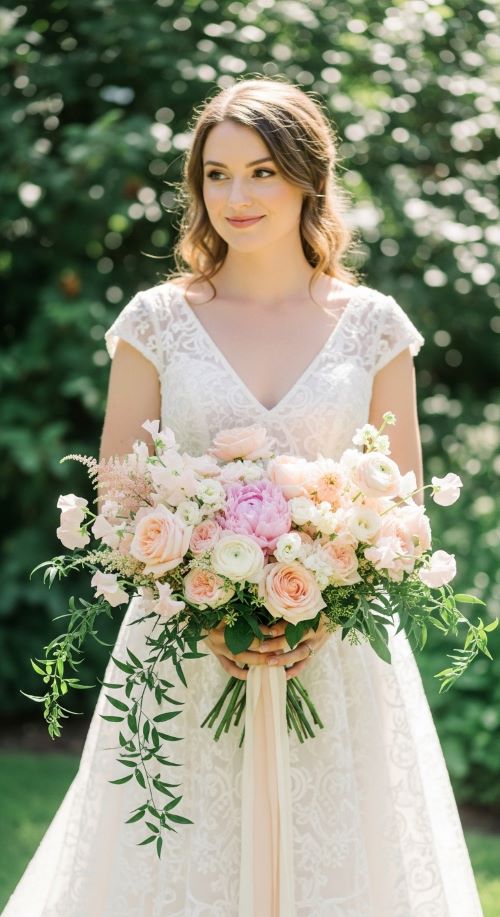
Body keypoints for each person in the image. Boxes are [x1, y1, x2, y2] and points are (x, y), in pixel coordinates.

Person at [3, 76, 483, 917]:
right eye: (215, 175)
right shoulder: (156, 320)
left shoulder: (374, 326)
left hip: (338, 663)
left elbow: (403, 510)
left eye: (261, 171)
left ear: (308, 177)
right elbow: (119, 502)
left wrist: (321, 607)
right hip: (182, 648)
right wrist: (209, 606)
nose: (236, 195)